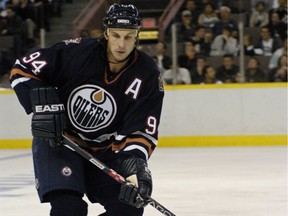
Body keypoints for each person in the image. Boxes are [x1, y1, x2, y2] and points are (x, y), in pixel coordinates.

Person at [9, 3, 164, 216]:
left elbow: (140, 131)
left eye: (128, 37)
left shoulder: (147, 74)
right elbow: (22, 68)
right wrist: (43, 107)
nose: (121, 44)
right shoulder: (77, 52)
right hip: (60, 143)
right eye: (116, 35)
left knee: (128, 208)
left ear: (137, 36)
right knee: (69, 209)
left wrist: (135, 167)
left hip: (104, 153)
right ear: (106, 33)